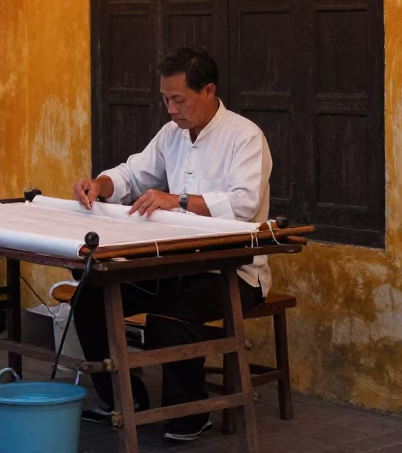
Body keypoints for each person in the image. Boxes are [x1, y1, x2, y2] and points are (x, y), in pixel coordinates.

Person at [70, 46, 272, 443]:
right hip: (171, 265)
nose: (171, 109)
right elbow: (133, 173)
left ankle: (190, 413)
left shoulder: (245, 137)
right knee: (90, 298)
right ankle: (127, 400)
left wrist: (176, 200)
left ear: (209, 91)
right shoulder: (171, 135)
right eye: (166, 100)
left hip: (230, 271)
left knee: (170, 318)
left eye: (179, 99)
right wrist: (100, 184)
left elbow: (244, 205)